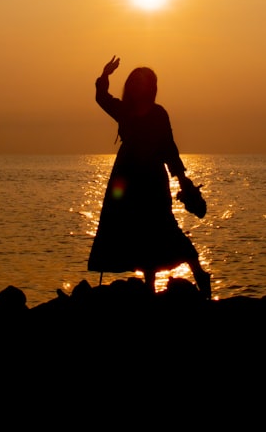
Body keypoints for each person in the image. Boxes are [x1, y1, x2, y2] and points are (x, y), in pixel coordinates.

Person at [87, 56, 211, 298]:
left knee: (164, 226)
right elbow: (101, 97)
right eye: (135, 83)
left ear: (151, 88)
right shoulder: (125, 110)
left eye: (143, 83)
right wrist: (105, 75)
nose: (138, 87)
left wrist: (183, 179)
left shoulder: (158, 114)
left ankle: (198, 271)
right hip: (128, 178)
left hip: (152, 179)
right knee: (139, 232)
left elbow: (169, 148)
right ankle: (150, 288)